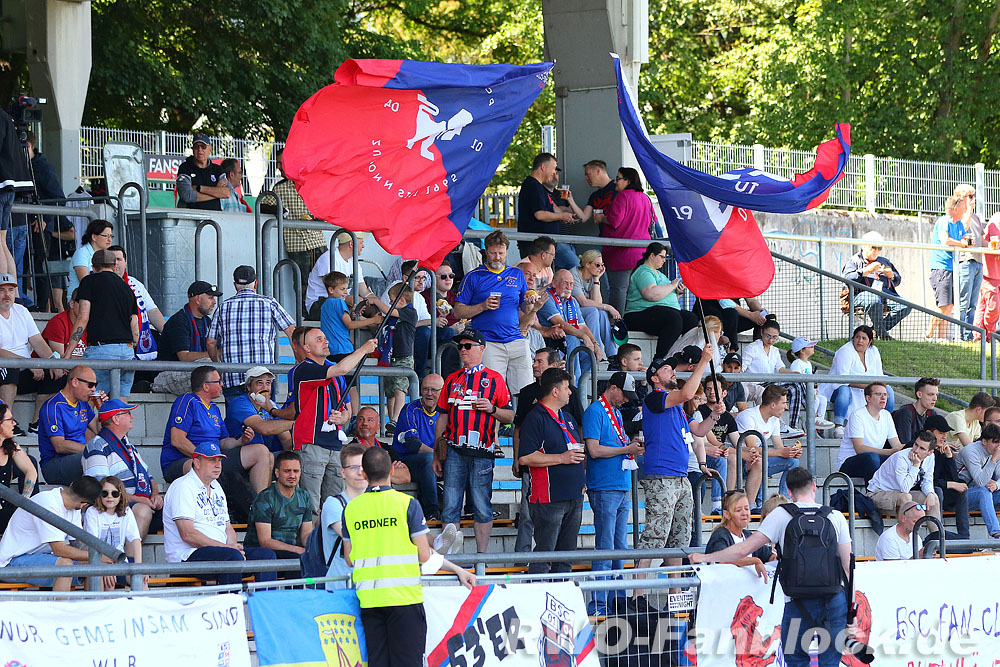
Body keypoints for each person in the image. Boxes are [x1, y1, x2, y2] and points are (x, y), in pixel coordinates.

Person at [690, 467, 853, 667]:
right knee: (830, 661)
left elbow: (743, 550)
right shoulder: (835, 517)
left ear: (789, 492)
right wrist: (850, 609)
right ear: (814, 487)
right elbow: (847, 567)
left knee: (796, 660)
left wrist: (705, 556)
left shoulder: (781, 515)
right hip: (833, 600)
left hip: (798, 602)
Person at [342, 447, 475, 667]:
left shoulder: (351, 509)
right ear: (392, 470)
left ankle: (439, 541)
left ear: (364, 473)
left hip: (369, 601)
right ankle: (439, 541)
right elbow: (423, 555)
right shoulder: (407, 505)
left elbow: (349, 559)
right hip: (404, 599)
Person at [632, 349, 719, 607]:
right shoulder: (654, 399)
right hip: (662, 476)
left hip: (680, 478)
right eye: (667, 369)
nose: (673, 372)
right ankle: (637, 596)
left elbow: (699, 430)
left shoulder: (678, 408)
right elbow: (687, 393)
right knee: (654, 535)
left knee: (679, 538)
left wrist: (714, 415)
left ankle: (676, 598)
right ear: (654, 378)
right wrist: (703, 361)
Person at [433, 329, 514, 553]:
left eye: (468, 346)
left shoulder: (495, 378)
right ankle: (449, 558)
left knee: (481, 505)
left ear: (481, 349)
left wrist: (493, 409)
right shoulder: (451, 378)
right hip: (454, 449)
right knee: (450, 505)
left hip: (482, 450)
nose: (462, 350)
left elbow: (509, 415)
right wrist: (436, 453)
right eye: (460, 346)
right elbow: (443, 415)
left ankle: (482, 558)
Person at [162, 441, 278, 584]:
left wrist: (234, 546)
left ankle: (263, 604)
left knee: (266, 556)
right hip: (188, 556)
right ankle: (231, 604)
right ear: (197, 463)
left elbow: (227, 527)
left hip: (222, 552)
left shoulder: (216, 487)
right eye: (212, 460)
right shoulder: (182, 486)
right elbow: (188, 535)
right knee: (232, 558)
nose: (218, 465)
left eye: (219, 460)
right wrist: (228, 549)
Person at [291, 327, 377, 510]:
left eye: (325, 337)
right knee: (312, 507)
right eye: (319, 339)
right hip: (311, 444)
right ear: (306, 347)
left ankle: (332, 538)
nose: (326, 341)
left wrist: (341, 417)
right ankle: (311, 539)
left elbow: (346, 411)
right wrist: (363, 350)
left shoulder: (335, 376)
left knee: (336, 505)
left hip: (334, 446)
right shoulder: (304, 369)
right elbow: (343, 368)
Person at [582, 371, 644, 615]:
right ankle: (599, 604)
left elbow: (615, 446)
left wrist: (630, 448)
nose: (626, 401)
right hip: (604, 485)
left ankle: (617, 602)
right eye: (624, 395)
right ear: (613, 387)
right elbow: (594, 450)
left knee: (620, 548)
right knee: (606, 547)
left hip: (620, 484)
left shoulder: (615, 412)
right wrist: (626, 449)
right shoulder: (595, 411)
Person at [512, 347, 585, 552]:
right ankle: (525, 561)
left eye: (539, 361)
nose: (570, 392)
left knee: (566, 555)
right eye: (566, 388)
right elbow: (525, 454)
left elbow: (577, 438)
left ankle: (564, 584)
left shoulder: (567, 417)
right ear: (555, 391)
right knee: (545, 553)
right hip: (549, 496)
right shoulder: (534, 412)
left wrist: (581, 478)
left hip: (572, 495)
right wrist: (562, 457)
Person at [160, 365, 272, 495]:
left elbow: (223, 442)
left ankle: (260, 509)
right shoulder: (187, 401)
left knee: (261, 452)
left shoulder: (214, 408)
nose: (222, 384)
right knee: (203, 467)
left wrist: (241, 441)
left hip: (213, 458)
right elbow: (177, 440)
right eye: (218, 381)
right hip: (182, 461)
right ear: (205, 386)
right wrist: (204, 457)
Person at [453, 230, 538, 393]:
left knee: (526, 392)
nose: (497, 257)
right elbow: (458, 311)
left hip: (516, 339)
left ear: (506, 251)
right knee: (490, 393)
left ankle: (519, 419)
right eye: (493, 253)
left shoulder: (516, 274)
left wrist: (531, 303)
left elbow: (525, 307)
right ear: (486, 252)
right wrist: (482, 306)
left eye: (501, 253)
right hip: (488, 342)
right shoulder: (474, 276)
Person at [207, 265, 296, 402]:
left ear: (235, 285)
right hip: (262, 378)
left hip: (232, 377)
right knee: (263, 420)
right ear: (255, 283)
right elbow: (291, 332)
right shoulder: (269, 303)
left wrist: (218, 365)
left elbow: (211, 342)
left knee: (236, 421)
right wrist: (298, 359)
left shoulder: (223, 307)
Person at [0, 475, 103, 591]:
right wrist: (99, 556)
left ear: (71, 485)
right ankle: (59, 609)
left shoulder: (73, 508)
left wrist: (99, 560)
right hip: (10, 563)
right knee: (66, 566)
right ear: (84, 504)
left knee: (95, 567)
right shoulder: (48, 502)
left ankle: (93, 607)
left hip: (39, 558)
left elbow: (78, 543)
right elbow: (59, 549)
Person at [82, 398, 162, 538]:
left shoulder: (129, 446)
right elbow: (100, 488)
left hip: (142, 503)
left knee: (177, 510)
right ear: (116, 419)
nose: (132, 416)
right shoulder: (97, 445)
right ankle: (125, 559)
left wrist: (155, 495)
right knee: (143, 510)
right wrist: (137, 499)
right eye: (128, 413)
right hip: (115, 505)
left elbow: (149, 477)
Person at [69, 249, 139, 397]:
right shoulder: (127, 288)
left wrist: (69, 352)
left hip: (102, 350)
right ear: (114, 267)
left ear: (93, 267)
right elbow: (135, 328)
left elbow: (83, 317)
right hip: (127, 352)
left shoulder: (89, 281)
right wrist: (129, 347)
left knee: (91, 400)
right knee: (119, 405)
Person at [0, 272, 62, 423]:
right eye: (2, 290)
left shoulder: (21, 311)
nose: (7, 295)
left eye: (11, 290)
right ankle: (5, 421)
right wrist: (28, 363)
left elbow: (38, 342)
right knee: (10, 368)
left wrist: (53, 362)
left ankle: (36, 424)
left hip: (25, 369)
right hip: (5, 368)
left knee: (58, 374)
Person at [263, 150, 327, 293]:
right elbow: (262, 206)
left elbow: (327, 206)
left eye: (281, 163)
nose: (278, 167)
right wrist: (278, 209)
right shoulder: (279, 188)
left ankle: (326, 314)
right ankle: (306, 315)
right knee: (302, 285)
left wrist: (316, 217)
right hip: (296, 246)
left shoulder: (312, 183)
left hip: (317, 242)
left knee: (328, 283)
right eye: (278, 163)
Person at [624, 242, 698, 357]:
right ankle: (659, 359)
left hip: (659, 312)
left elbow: (665, 299)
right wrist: (672, 286)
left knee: (691, 319)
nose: (664, 260)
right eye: (662, 256)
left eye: (665, 257)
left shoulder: (660, 274)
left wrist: (677, 293)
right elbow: (650, 294)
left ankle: (680, 355)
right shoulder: (644, 271)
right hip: (638, 314)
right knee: (673, 318)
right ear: (652, 255)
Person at [699, 376, 762, 507]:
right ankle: (723, 503)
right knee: (730, 458)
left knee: (758, 461)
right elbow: (714, 443)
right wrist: (741, 453)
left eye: (715, 389)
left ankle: (750, 506)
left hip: (724, 453)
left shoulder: (727, 416)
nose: (711, 392)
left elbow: (738, 442)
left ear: (724, 393)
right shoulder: (700, 412)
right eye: (708, 389)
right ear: (705, 392)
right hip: (707, 455)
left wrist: (750, 451)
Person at [820, 325, 893, 438]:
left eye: (864, 338)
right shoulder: (845, 351)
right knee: (844, 391)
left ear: (870, 341)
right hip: (839, 388)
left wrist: (875, 387)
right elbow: (842, 378)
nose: (860, 341)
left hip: (869, 388)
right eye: (857, 337)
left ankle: (885, 423)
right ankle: (839, 426)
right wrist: (868, 387)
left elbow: (879, 374)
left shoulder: (874, 351)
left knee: (889, 392)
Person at [38, 364, 105, 485]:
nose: (94, 390)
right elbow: (59, 445)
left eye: (96, 385)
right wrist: (91, 450)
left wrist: (104, 410)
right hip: (54, 464)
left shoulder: (83, 403)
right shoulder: (53, 406)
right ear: (75, 382)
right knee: (94, 457)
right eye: (90, 385)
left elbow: (99, 429)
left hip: (78, 458)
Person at [391, 374, 444, 520]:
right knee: (428, 459)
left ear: (442, 391)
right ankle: (431, 511)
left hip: (436, 458)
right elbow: (413, 444)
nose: (429, 393)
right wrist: (437, 455)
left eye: (434, 390)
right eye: (425, 389)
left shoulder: (445, 412)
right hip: (408, 460)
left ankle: (470, 510)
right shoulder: (410, 409)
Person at [244, 451, 313, 563]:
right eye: (287, 471)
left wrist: (312, 548)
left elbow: (306, 533)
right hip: (263, 554)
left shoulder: (304, 496)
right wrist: (298, 550)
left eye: (296, 471)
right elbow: (265, 541)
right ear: (277, 472)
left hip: (291, 552)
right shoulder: (265, 498)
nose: (292, 475)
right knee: (299, 559)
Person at [735, 384, 802, 499]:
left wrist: (790, 452)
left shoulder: (774, 419)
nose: (786, 407)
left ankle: (784, 500)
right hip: (742, 462)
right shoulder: (748, 416)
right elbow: (752, 449)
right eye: (784, 403)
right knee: (760, 461)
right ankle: (759, 503)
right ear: (773, 405)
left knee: (793, 461)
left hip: (758, 460)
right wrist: (781, 453)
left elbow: (779, 447)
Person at [741, 319, 806, 437]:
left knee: (795, 386)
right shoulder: (752, 348)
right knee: (795, 385)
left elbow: (781, 369)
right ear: (761, 332)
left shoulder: (775, 351)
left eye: (775, 337)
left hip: (770, 384)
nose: (771, 340)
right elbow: (742, 368)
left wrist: (795, 374)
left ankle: (792, 426)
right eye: (768, 336)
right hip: (756, 384)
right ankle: (812, 411)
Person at [602, 167, 653, 314]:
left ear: (628, 181)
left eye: (618, 178)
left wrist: (601, 218)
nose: (615, 181)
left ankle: (618, 324)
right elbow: (652, 221)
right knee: (637, 291)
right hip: (643, 252)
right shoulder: (645, 198)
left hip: (622, 253)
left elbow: (615, 220)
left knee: (619, 289)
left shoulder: (622, 196)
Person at [841, 231, 910, 339]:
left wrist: (891, 275)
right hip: (862, 293)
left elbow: (897, 280)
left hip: (884, 293)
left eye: (879, 248)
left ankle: (874, 331)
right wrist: (865, 271)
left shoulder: (884, 261)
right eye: (873, 247)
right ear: (864, 246)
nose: (876, 251)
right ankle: (883, 335)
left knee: (906, 305)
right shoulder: (854, 260)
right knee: (873, 300)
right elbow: (847, 278)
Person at [320, 442, 367, 590]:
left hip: (370, 589)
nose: (360, 472)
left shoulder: (377, 502)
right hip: (339, 589)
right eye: (353, 468)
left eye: (363, 467)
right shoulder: (333, 504)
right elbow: (357, 537)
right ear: (343, 472)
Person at [84, 475, 144, 590]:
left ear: (120, 495)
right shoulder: (92, 512)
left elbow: (135, 539)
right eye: (105, 493)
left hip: (120, 561)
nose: (109, 497)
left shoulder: (126, 511)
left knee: (141, 581)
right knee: (107, 583)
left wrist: (139, 568)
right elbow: (94, 543)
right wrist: (106, 566)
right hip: (99, 561)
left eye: (114, 493)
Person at [836, 381, 904, 482]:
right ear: (868, 398)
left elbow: (896, 444)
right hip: (849, 463)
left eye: (885, 394)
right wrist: (888, 452)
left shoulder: (887, 415)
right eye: (878, 394)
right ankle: (872, 494)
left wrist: (911, 449)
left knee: (901, 459)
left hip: (874, 460)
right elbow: (860, 449)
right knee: (872, 458)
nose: (883, 397)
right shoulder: (857, 415)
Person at [537, 269, 603, 370]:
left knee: (589, 354)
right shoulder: (547, 297)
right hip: (550, 340)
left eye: (571, 284)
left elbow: (582, 326)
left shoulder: (573, 301)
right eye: (565, 283)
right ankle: (572, 382)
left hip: (565, 340)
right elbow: (560, 323)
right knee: (573, 339)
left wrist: (595, 343)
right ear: (554, 283)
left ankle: (582, 385)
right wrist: (583, 336)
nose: (569, 287)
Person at [109, 245, 165, 361]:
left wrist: (167, 335)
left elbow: (152, 311)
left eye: (119, 259)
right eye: (112, 260)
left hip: (140, 342)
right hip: (115, 345)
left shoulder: (135, 283)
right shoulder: (100, 284)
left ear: (126, 262)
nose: (115, 263)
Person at [867, 429, 940, 519]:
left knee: (934, 498)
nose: (916, 450)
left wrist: (930, 493)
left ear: (930, 452)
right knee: (906, 497)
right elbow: (905, 488)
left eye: (922, 448)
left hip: (899, 494)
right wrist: (915, 465)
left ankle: (937, 533)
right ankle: (904, 532)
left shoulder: (930, 457)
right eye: (916, 445)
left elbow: (927, 481)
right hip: (877, 493)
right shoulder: (901, 458)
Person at [516, 152, 575, 257]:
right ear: (543, 167)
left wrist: (567, 214)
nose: (554, 173)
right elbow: (540, 214)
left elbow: (552, 207)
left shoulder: (539, 188)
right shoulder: (533, 185)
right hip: (535, 247)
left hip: (543, 247)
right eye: (553, 168)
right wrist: (562, 216)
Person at [704, 490, 775, 577]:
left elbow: (768, 555)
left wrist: (776, 558)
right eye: (738, 510)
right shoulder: (720, 535)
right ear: (726, 514)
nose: (744, 513)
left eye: (746, 509)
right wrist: (755, 560)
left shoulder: (749, 536)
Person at [224, 366, 294, 454]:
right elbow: (263, 428)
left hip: (264, 455)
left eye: (268, 383)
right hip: (239, 456)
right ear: (248, 387)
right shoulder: (240, 403)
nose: (265, 388)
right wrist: (298, 423)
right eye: (259, 383)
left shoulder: (272, 405)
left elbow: (285, 438)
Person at [305, 231, 374, 319]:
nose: (363, 246)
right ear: (351, 244)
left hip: (342, 302)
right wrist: (353, 300)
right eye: (361, 242)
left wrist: (376, 301)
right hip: (319, 305)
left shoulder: (353, 261)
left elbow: (363, 290)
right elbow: (332, 292)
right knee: (356, 313)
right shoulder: (328, 258)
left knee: (373, 310)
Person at [926, 194, 968, 340]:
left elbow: (963, 238)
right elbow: (945, 240)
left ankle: (941, 338)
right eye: (963, 206)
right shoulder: (943, 221)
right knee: (943, 306)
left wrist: (968, 241)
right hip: (941, 268)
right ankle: (929, 334)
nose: (965, 209)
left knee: (949, 306)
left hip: (953, 269)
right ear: (955, 208)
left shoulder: (959, 224)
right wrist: (962, 244)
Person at [377, 282, 417, 428]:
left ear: (401, 301)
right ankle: (392, 420)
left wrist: (376, 300)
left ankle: (396, 418)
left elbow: (390, 311)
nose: (390, 303)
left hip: (404, 357)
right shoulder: (392, 316)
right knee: (390, 391)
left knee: (400, 388)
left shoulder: (410, 312)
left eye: (392, 301)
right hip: (389, 356)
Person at [320, 271, 381, 362]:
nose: (345, 292)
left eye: (346, 289)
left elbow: (339, 320)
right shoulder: (339, 302)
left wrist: (352, 313)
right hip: (343, 348)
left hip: (330, 349)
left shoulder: (325, 304)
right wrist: (373, 320)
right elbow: (349, 324)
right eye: (342, 289)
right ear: (331, 290)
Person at [927, 418, 971, 539]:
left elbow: (954, 479)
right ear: (929, 433)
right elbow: (929, 480)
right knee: (938, 491)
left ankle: (964, 536)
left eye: (945, 433)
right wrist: (951, 485)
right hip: (922, 491)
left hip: (939, 490)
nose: (945, 437)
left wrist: (949, 456)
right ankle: (939, 534)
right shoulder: (920, 449)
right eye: (941, 433)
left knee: (962, 488)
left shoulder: (941, 451)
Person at [570, 250, 619, 358]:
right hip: (571, 311)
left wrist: (596, 280)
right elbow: (583, 302)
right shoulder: (574, 274)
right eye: (597, 265)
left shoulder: (592, 276)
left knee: (601, 313)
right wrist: (609, 307)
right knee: (593, 311)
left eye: (602, 265)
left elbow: (597, 303)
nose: (601, 268)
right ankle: (597, 350)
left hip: (585, 312)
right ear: (587, 264)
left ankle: (612, 355)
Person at [955, 423, 1000, 539]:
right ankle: (997, 534)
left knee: (988, 491)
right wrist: (994, 459)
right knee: (983, 492)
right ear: (984, 441)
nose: (998, 446)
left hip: (980, 494)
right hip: (959, 496)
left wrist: (996, 484)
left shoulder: (995, 451)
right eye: (995, 442)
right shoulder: (971, 451)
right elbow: (980, 481)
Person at [159, 280, 221, 363]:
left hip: (194, 371)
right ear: (197, 299)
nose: (214, 302)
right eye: (210, 298)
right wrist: (218, 353)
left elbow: (217, 346)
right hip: (171, 372)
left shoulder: (208, 321)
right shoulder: (178, 322)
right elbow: (184, 357)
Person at [0, 403, 37, 533]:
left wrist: (24, 500)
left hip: (6, 506)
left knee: (34, 518)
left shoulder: (11, 445)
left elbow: (31, 470)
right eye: (10, 420)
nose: (14, 423)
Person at [351, 407, 411, 485]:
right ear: (356, 424)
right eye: (361, 419)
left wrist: (371, 473)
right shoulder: (351, 449)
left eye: (370, 420)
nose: (365, 423)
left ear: (378, 427)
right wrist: (388, 471)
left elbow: (406, 476)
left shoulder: (387, 449)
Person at [785, 337, 834, 429]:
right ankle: (811, 419)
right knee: (816, 400)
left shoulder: (808, 364)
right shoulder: (797, 363)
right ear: (802, 351)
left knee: (822, 399)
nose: (813, 348)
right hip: (803, 392)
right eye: (810, 346)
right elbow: (797, 381)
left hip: (810, 391)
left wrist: (815, 389)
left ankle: (819, 419)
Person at [955, 184, 984, 339]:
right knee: (963, 302)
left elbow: (983, 238)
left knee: (973, 303)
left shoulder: (976, 217)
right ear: (962, 198)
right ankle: (960, 335)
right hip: (966, 261)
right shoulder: (959, 214)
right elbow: (962, 229)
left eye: (974, 196)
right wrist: (968, 209)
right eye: (970, 196)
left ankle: (968, 335)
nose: (974, 199)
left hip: (978, 262)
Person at [175, 133, 229, 211]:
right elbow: (187, 196)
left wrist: (199, 188)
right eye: (196, 147)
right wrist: (216, 192)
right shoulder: (185, 168)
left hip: (214, 217)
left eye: (203, 146)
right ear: (193, 149)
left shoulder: (217, 169)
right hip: (189, 216)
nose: (200, 149)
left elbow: (226, 193)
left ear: (210, 149)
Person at [694, 297, 767, 353]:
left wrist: (762, 313)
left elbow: (751, 300)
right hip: (710, 316)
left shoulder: (740, 279)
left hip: (732, 320)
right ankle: (731, 351)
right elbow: (724, 302)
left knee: (762, 319)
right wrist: (751, 315)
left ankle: (759, 351)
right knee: (732, 313)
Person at [67, 219, 113, 299]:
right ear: (94, 237)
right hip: (79, 301)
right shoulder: (81, 253)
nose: (110, 240)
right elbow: (85, 282)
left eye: (111, 236)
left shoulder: (106, 254)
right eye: (106, 236)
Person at [892, 377, 940, 446]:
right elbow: (906, 445)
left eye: (936, 395)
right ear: (919, 394)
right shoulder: (905, 413)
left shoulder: (931, 413)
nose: (935, 399)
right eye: (930, 394)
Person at [975, 211, 1000, 342]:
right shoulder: (996, 221)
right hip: (991, 273)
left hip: (994, 273)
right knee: (992, 307)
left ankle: (981, 336)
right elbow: (995, 247)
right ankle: (987, 335)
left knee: (985, 305)